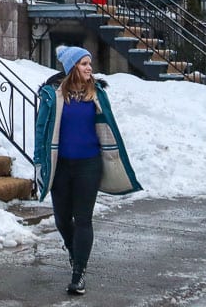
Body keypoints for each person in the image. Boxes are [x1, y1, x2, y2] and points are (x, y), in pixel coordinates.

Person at [34, 45, 141, 296]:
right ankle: (74, 251)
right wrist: (40, 163)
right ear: (72, 67)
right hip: (61, 166)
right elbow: (41, 132)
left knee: (83, 219)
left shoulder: (97, 93)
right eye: (83, 64)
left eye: (89, 64)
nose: (89, 68)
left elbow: (109, 125)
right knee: (62, 219)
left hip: (88, 164)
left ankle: (79, 272)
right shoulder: (53, 95)